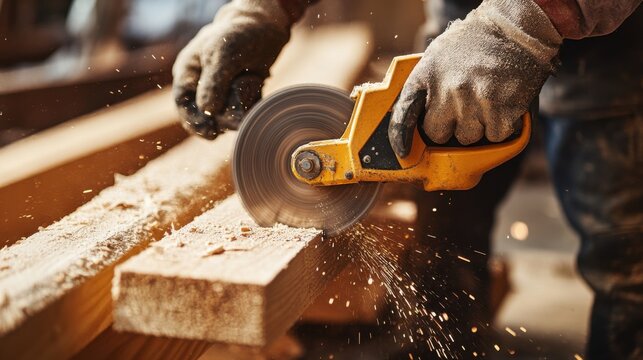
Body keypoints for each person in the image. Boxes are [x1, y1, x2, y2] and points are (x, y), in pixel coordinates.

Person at [172, 0, 642, 358]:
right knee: (446, 225)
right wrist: (262, 9)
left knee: (626, 256)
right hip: (466, 24)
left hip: (616, 44)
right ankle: (447, 343)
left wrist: (524, 20)